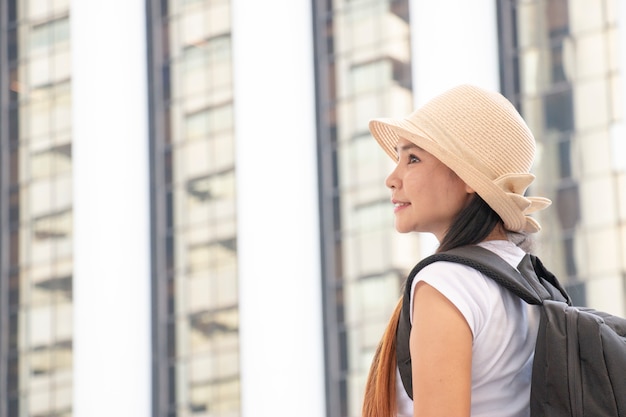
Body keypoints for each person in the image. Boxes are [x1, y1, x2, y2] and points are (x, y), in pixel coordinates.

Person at [361, 84, 552, 417]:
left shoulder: (446, 282)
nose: (392, 178)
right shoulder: (528, 280)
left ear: (468, 179)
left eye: (413, 158)